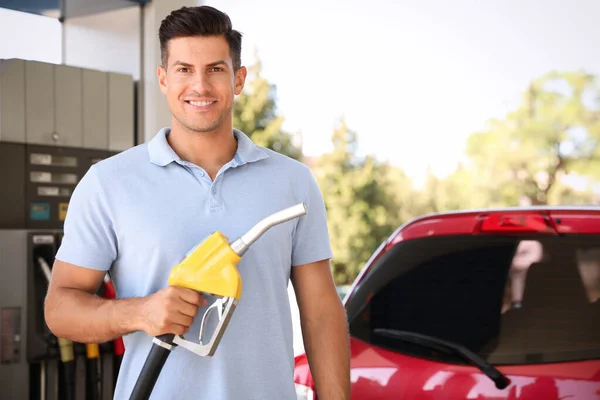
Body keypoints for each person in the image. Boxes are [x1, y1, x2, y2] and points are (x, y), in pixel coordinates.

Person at [44, 5, 350, 400]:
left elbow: (321, 312)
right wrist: (141, 312)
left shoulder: (292, 182)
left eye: (216, 69)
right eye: (184, 69)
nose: (200, 86)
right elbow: (60, 309)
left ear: (238, 79)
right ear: (163, 78)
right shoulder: (109, 182)